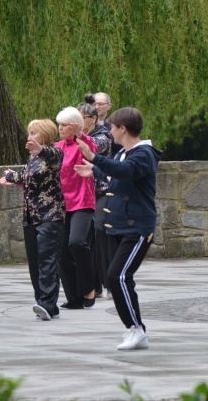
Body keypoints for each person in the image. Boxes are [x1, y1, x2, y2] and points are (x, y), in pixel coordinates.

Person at [75, 107, 160, 350]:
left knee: (117, 276)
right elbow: (116, 171)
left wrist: (94, 158)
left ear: (123, 129)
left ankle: (136, 329)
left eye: (112, 126)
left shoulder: (144, 154)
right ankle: (135, 328)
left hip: (139, 229)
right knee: (122, 278)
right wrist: (94, 170)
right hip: (122, 227)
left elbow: (126, 172)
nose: (110, 130)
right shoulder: (124, 153)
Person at [0, 119, 65, 321]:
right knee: (35, 263)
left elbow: (53, 157)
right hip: (31, 217)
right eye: (29, 133)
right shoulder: (32, 159)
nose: (29, 137)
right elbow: (24, 176)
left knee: (48, 261)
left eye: (34, 133)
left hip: (50, 215)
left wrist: (40, 149)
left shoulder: (53, 154)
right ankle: (46, 304)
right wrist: (10, 177)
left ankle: (47, 302)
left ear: (44, 135)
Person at [54, 106, 98, 309]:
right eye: (59, 124)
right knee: (61, 250)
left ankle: (90, 288)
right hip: (62, 205)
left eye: (64, 125)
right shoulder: (57, 147)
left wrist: (81, 135)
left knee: (77, 242)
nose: (60, 128)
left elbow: (93, 154)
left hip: (81, 202)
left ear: (74, 127)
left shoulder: (83, 144)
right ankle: (74, 297)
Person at [77, 95, 113, 300]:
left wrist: (76, 137)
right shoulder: (73, 138)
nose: (79, 123)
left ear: (93, 118)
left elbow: (92, 148)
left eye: (82, 118)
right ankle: (91, 285)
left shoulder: (103, 135)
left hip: (101, 190)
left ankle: (109, 283)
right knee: (82, 239)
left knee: (100, 229)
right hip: (81, 192)